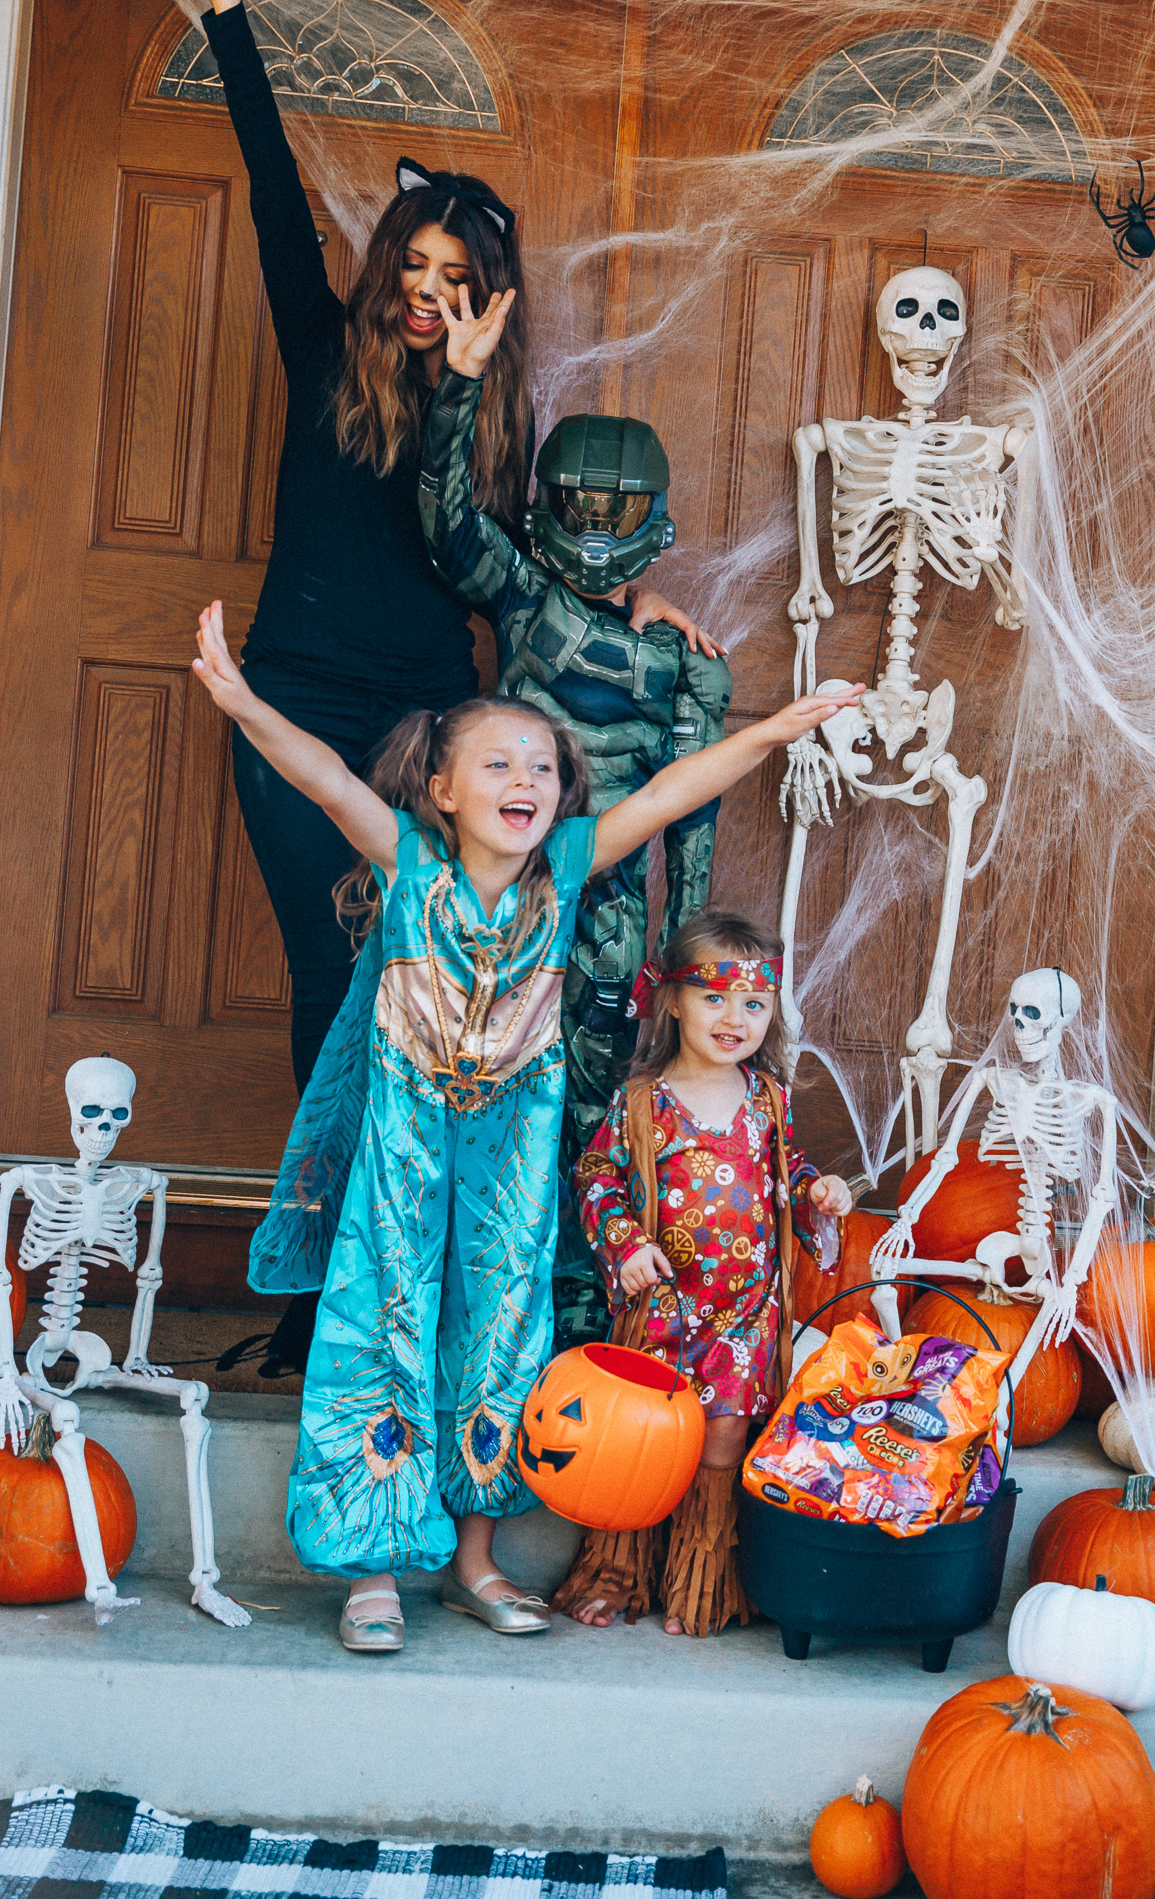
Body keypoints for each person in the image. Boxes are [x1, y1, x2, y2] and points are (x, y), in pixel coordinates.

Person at [109, 0, 713, 1375]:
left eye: (461, 276)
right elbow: (263, 180)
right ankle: (318, 1298)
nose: (431, 289)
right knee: (329, 991)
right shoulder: (323, 353)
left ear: (486, 299)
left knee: (429, 989)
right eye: (418, 265)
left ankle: (411, 1284)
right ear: (389, 270)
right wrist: (226, 11)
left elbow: (527, 560)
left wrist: (636, 601)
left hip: (433, 722)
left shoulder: (487, 425)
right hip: (303, 698)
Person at [188, 596, 861, 1652]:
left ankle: (473, 1559)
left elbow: (674, 788)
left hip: (508, 1154)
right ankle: (374, 1566)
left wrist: (771, 732)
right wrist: (241, 700)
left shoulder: (566, 868)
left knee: (501, 1327)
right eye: (499, 765)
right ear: (442, 790)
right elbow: (320, 774)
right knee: (384, 1318)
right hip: (404, 1149)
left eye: (543, 766)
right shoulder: (409, 861)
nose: (527, 782)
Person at [418, 321, 732, 1350]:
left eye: (618, 508)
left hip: (605, 915)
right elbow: (448, 517)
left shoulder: (683, 663)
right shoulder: (523, 593)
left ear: (652, 516)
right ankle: (467, 1301)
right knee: (478, 1088)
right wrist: (457, 386)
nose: (597, 525)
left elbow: (690, 816)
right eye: (580, 505)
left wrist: (683, 972)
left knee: (595, 1103)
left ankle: (583, 1313)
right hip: (499, 890)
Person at [551, 908, 854, 1638]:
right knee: (647, 1442)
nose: (734, 1017)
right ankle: (618, 1575)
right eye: (714, 997)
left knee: (720, 1444)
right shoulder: (643, 1102)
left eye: (754, 1003)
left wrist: (817, 1192)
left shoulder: (768, 1100)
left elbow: (788, 1173)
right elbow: (596, 1175)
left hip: (743, 1316)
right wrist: (624, 1244)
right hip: (663, 1308)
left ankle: (702, 1585)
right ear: (675, 999)